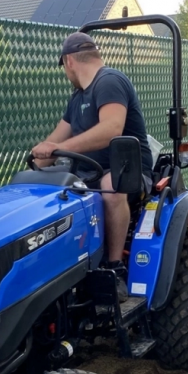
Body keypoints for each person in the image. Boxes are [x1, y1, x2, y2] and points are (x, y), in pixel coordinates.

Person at [32, 32, 154, 302]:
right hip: (87, 176)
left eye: (64, 68)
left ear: (68, 61)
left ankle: (113, 267)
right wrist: (40, 158)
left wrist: (57, 149)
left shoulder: (109, 81)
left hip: (129, 173)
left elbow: (111, 130)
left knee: (110, 185)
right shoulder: (77, 99)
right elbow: (56, 140)